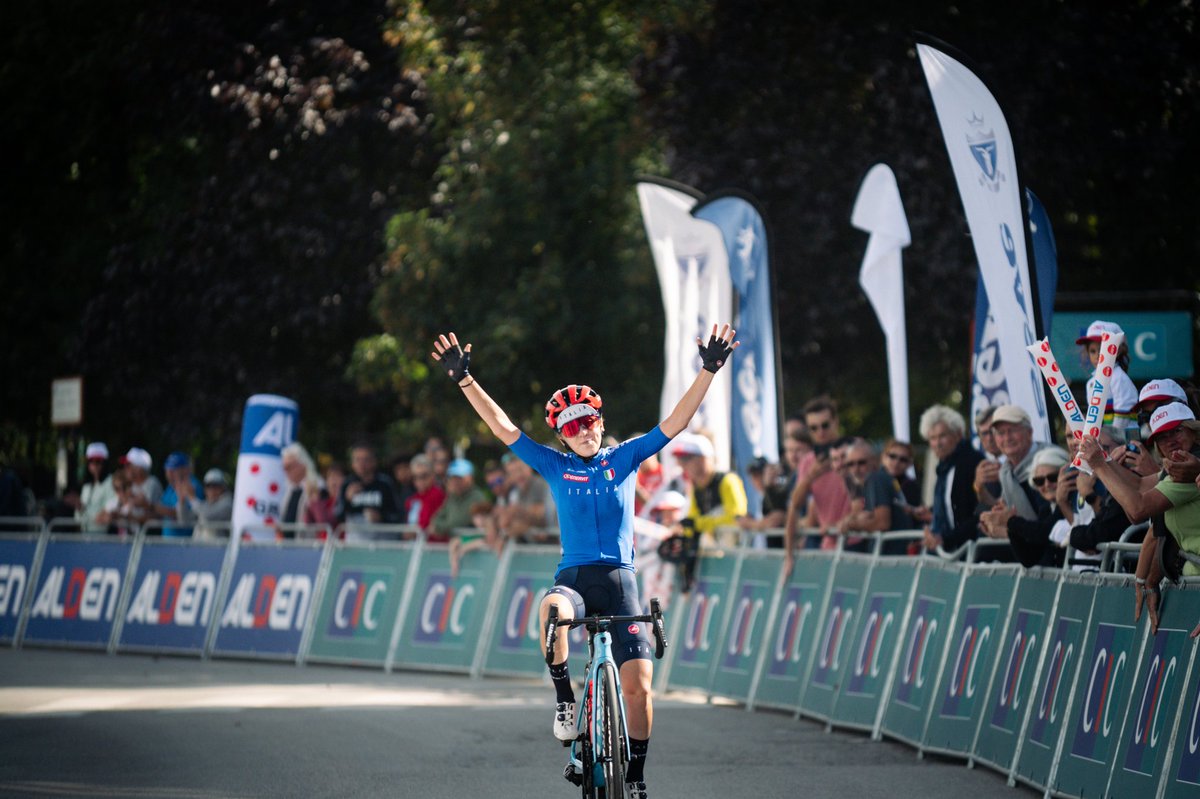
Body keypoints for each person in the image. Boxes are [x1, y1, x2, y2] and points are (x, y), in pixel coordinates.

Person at [431, 323, 738, 799]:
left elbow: (675, 422)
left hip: (620, 581)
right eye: (571, 427)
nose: (584, 431)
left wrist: (709, 371)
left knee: (639, 689)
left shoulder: (625, 457)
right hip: (574, 579)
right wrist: (466, 381)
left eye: (589, 421)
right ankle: (565, 704)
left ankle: (635, 776)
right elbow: (503, 428)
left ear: (600, 420)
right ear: (562, 435)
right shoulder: (556, 465)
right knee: (553, 612)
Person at [1081, 402, 1200, 633]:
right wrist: (1105, 461)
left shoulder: (1187, 468)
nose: (1171, 441)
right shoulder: (1181, 464)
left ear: (1193, 431)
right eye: (1162, 437)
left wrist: (1098, 465)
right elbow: (1139, 486)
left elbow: (1137, 509)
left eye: (1176, 431)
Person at [783, 396, 853, 570]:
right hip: (828, 544)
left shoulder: (855, 452)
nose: (820, 432)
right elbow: (795, 505)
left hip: (857, 542)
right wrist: (810, 477)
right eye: (813, 428)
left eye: (825, 425)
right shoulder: (808, 462)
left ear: (835, 422)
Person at [980, 446, 1071, 567]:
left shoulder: (1072, 501)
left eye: (1052, 478)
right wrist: (1010, 525)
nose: (1047, 484)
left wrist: (1010, 520)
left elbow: (1045, 531)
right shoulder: (1046, 509)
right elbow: (1029, 558)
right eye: (1039, 481)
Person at [919, 405, 985, 555]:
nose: (937, 443)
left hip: (969, 552)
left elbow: (979, 512)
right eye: (932, 438)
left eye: (942, 436)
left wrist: (946, 538)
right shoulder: (944, 466)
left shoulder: (972, 462)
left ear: (958, 435)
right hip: (947, 552)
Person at [837, 439, 913, 554]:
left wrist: (851, 525)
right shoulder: (881, 480)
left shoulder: (876, 479)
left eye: (861, 463)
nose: (856, 469)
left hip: (889, 559)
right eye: (850, 464)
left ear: (875, 462)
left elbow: (882, 523)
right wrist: (854, 519)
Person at [672, 432, 748, 548]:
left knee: (719, 513)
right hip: (712, 555)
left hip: (734, 553)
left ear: (703, 458)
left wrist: (697, 524)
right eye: (681, 460)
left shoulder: (728, 480)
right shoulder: (695, 488)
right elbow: (693, 519)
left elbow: (736, 518)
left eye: (687, 459)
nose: (683, 465)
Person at [1076, 320, 1138, 429]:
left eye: (1102, 349)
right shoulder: (1090, 383)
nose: (1097, 355)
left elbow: (1123, 413)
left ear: (1117, 351)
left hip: (1123, 441)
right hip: (1105, 442)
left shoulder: (1118, 377)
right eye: (1092, 351)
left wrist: (1113, 438)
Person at [339, 443, 403, 540]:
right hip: (356, 545)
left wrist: (381, 517)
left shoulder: (385, 483)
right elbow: (337, 515)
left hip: (383, 543)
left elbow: (398, 514)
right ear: (352, 464)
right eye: (357, 460)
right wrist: (347, 499)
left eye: (365, 459)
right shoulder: (347, 484)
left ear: (374, 462)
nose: (361, 464)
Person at [492, 454, 556, 544]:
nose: (518, 475)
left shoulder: (540, 484)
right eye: (512, 472)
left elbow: (541, 514)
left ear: (529, 468)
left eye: (520, 469)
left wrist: (515, 511)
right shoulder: (517, 491)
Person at [280, 442, 325, 537]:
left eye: (289, 467)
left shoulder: (318, 486)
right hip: (288, 546)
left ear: (303, 465)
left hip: (309, 545)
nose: (286, 471)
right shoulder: (289, 489)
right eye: (284, 467)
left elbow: (321, 520)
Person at [176, 468, 234, 539]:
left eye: (215, 485)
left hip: (218, 548)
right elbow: (184, 522)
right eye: (208, 486)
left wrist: (192, 497)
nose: (211, 489)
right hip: (199, 548)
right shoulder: (204, 504)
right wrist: (182, 501)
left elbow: (208, 516)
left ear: (223, 487)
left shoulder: (227, 504)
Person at [156, 452, 201, 537]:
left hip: (184, 542)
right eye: (167, 469)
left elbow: (187, 516)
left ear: (185, 469)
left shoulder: (192, 485)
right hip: (167, 542)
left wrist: (152, 506)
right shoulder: (170, 487)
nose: (169, 473)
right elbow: (162, 509)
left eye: (173, 469)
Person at [77, 442, 115, 533]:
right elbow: (78, 519)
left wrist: (83, 508)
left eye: (98, 461)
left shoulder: (111, 482)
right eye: (90, 461)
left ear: (105, 463)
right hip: (85, 536)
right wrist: (79, 507)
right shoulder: (86, 486)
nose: (94, 465)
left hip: (104, 539)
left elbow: (109, 511)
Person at [404, 454, 446, 536]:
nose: (419, 481)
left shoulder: (437, 494)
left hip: (433, 546)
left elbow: (425, 524)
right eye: (415, 477)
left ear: (432, 475)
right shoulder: (412, 499)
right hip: (416, 545)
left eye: (423, 476)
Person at [122, 447, 162, 530]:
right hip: (133, 536)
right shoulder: (131, 485)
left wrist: (131, 519)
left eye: (128, 465)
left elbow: (152, 514)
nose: (125, 468)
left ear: (139, 468)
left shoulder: (152, 483)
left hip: (149, 537)